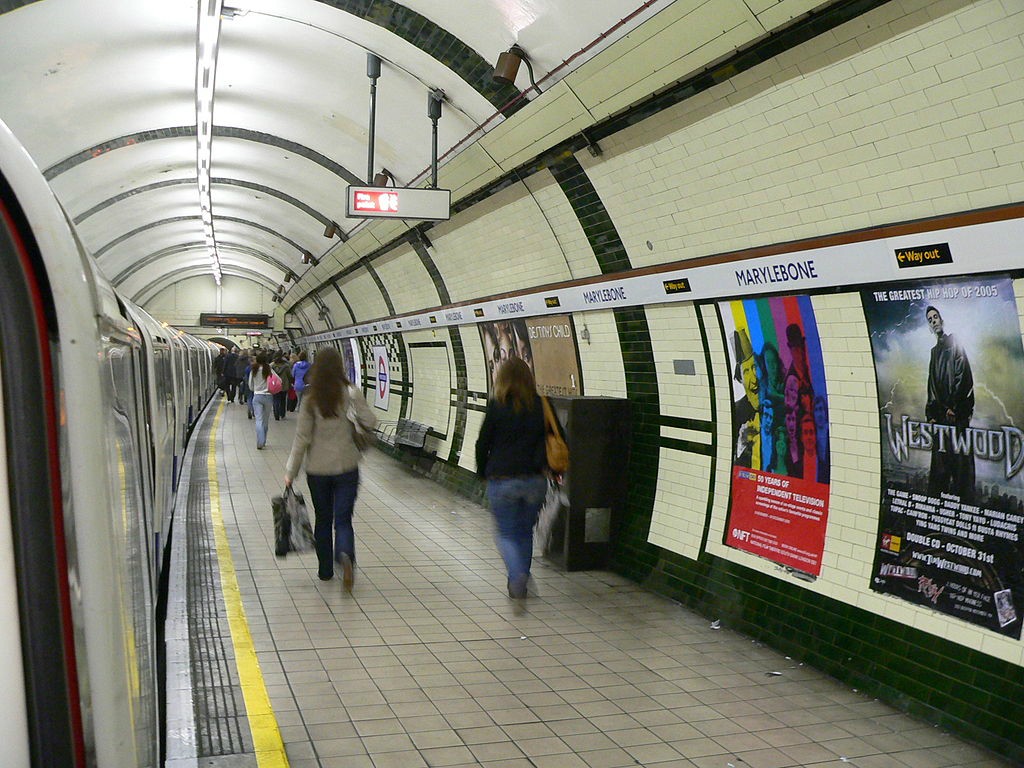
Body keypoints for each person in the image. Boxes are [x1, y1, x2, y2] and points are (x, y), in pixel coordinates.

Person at [284, 347, 376, 588]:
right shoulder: (351, 392)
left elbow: (302, 438)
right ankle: (345, 554)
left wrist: (291, 472)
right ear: (340, 366)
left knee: (323, 519)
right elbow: (370, 421)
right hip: (347, 466)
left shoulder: (310, 399)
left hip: (317, 470)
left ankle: (325, 570)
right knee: (343, 519)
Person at [475, 358, 548, 600]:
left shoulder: (497, 405)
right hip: (535, 480)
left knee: (506, 533)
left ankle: (517, 575)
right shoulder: (541, 405)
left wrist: (482, 472)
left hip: (502, 479)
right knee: (525, 532)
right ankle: (521, 582)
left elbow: (482, 443)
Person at [924, 305, 975, 502]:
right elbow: (931, 384)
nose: (933, 321)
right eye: (930, 319)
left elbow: (963, 375)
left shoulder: (955, 342)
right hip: (940, 419)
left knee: (962, 467)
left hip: (956, 416)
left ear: (942, 320)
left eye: (935, 317)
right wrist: (931, 413)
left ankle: (966, 507)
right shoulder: (934, 352)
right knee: (939, 468)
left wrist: (954, 406)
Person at [732, 329, 760, 468]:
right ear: (740, 379)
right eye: (746, 372)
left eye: (755, 368)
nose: (753, 380)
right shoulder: (737, 412)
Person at [248, 351, 273, 449]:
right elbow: (278, 380)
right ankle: (264, 440)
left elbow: (250, 385)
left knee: (259, 419)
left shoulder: (253, 370)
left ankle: (260, 441)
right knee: (265, 420)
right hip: (268, 396)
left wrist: (255, 389)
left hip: (257, 396)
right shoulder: (269, 369)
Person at [271, 352, 293, 421]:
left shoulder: (271, 366)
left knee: (275, 400)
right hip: (284, 385)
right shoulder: (286, 366)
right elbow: (289, 376)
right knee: (283, 400)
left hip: (274, 385)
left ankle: (276, 415)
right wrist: (290, 383)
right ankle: (282, 414)